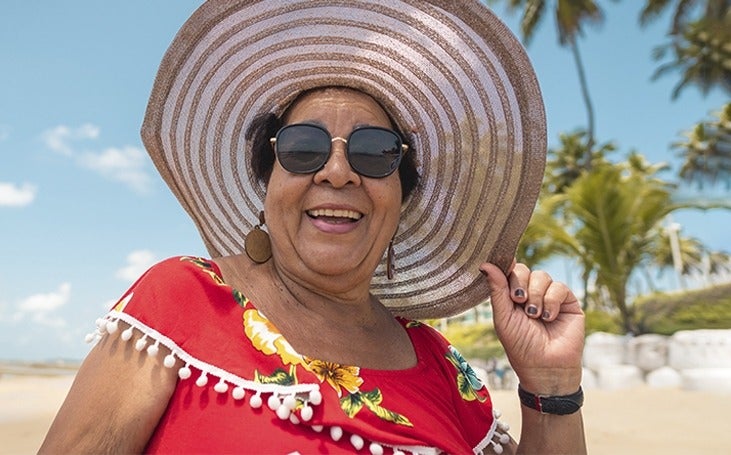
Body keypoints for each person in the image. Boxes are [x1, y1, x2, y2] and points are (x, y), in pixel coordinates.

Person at [40, 1, 586, 454]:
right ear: (267, 184)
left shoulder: (443, 368)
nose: (338, 171)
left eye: (376, 153)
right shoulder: (182, 302)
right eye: (304, 148)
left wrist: (552, 387)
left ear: (400, 199)